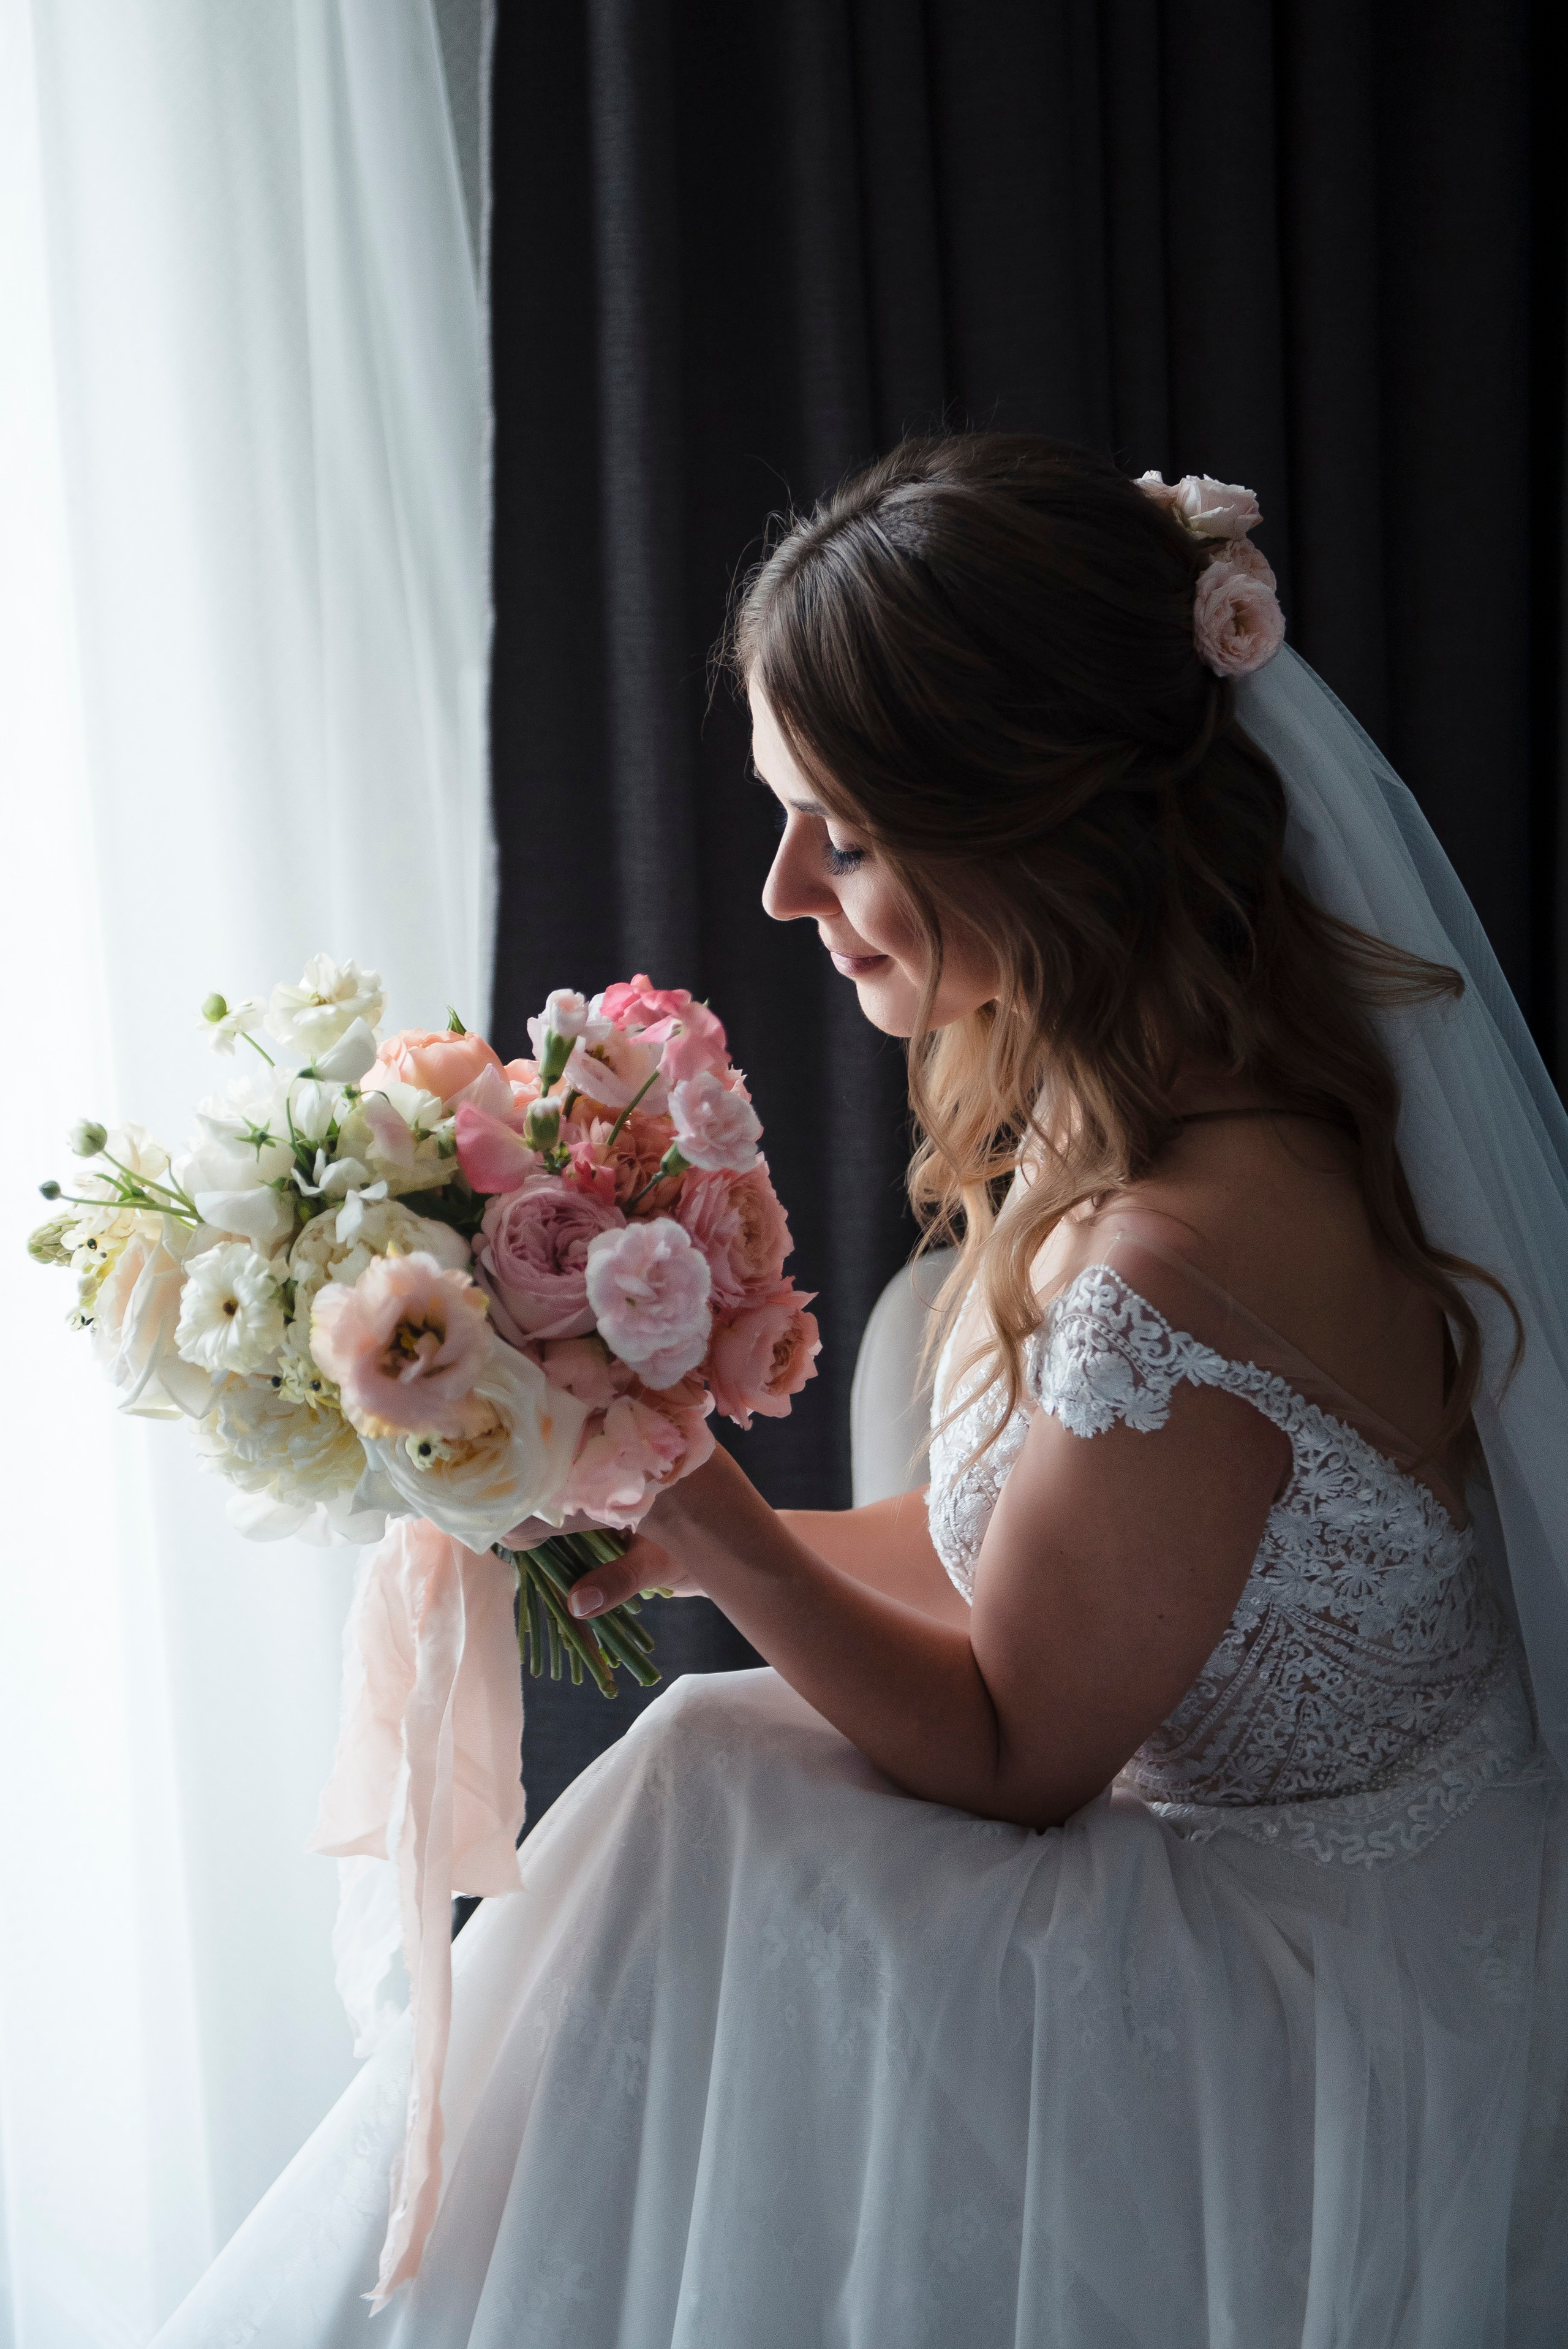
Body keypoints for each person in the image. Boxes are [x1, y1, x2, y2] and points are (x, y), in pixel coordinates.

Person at [153, 437, 1567, 2347]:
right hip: (1211, 1887)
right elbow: (1026, 1555)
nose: (782, 884)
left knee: (704, 1798)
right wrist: (662, 1535)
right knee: (704, 1795)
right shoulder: (1114, 1105)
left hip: (1346, 1997)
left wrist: (717, 1511)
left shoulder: (1194, 1237)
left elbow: (1019, 1747)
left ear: (1026, 823)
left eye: (848, 830)